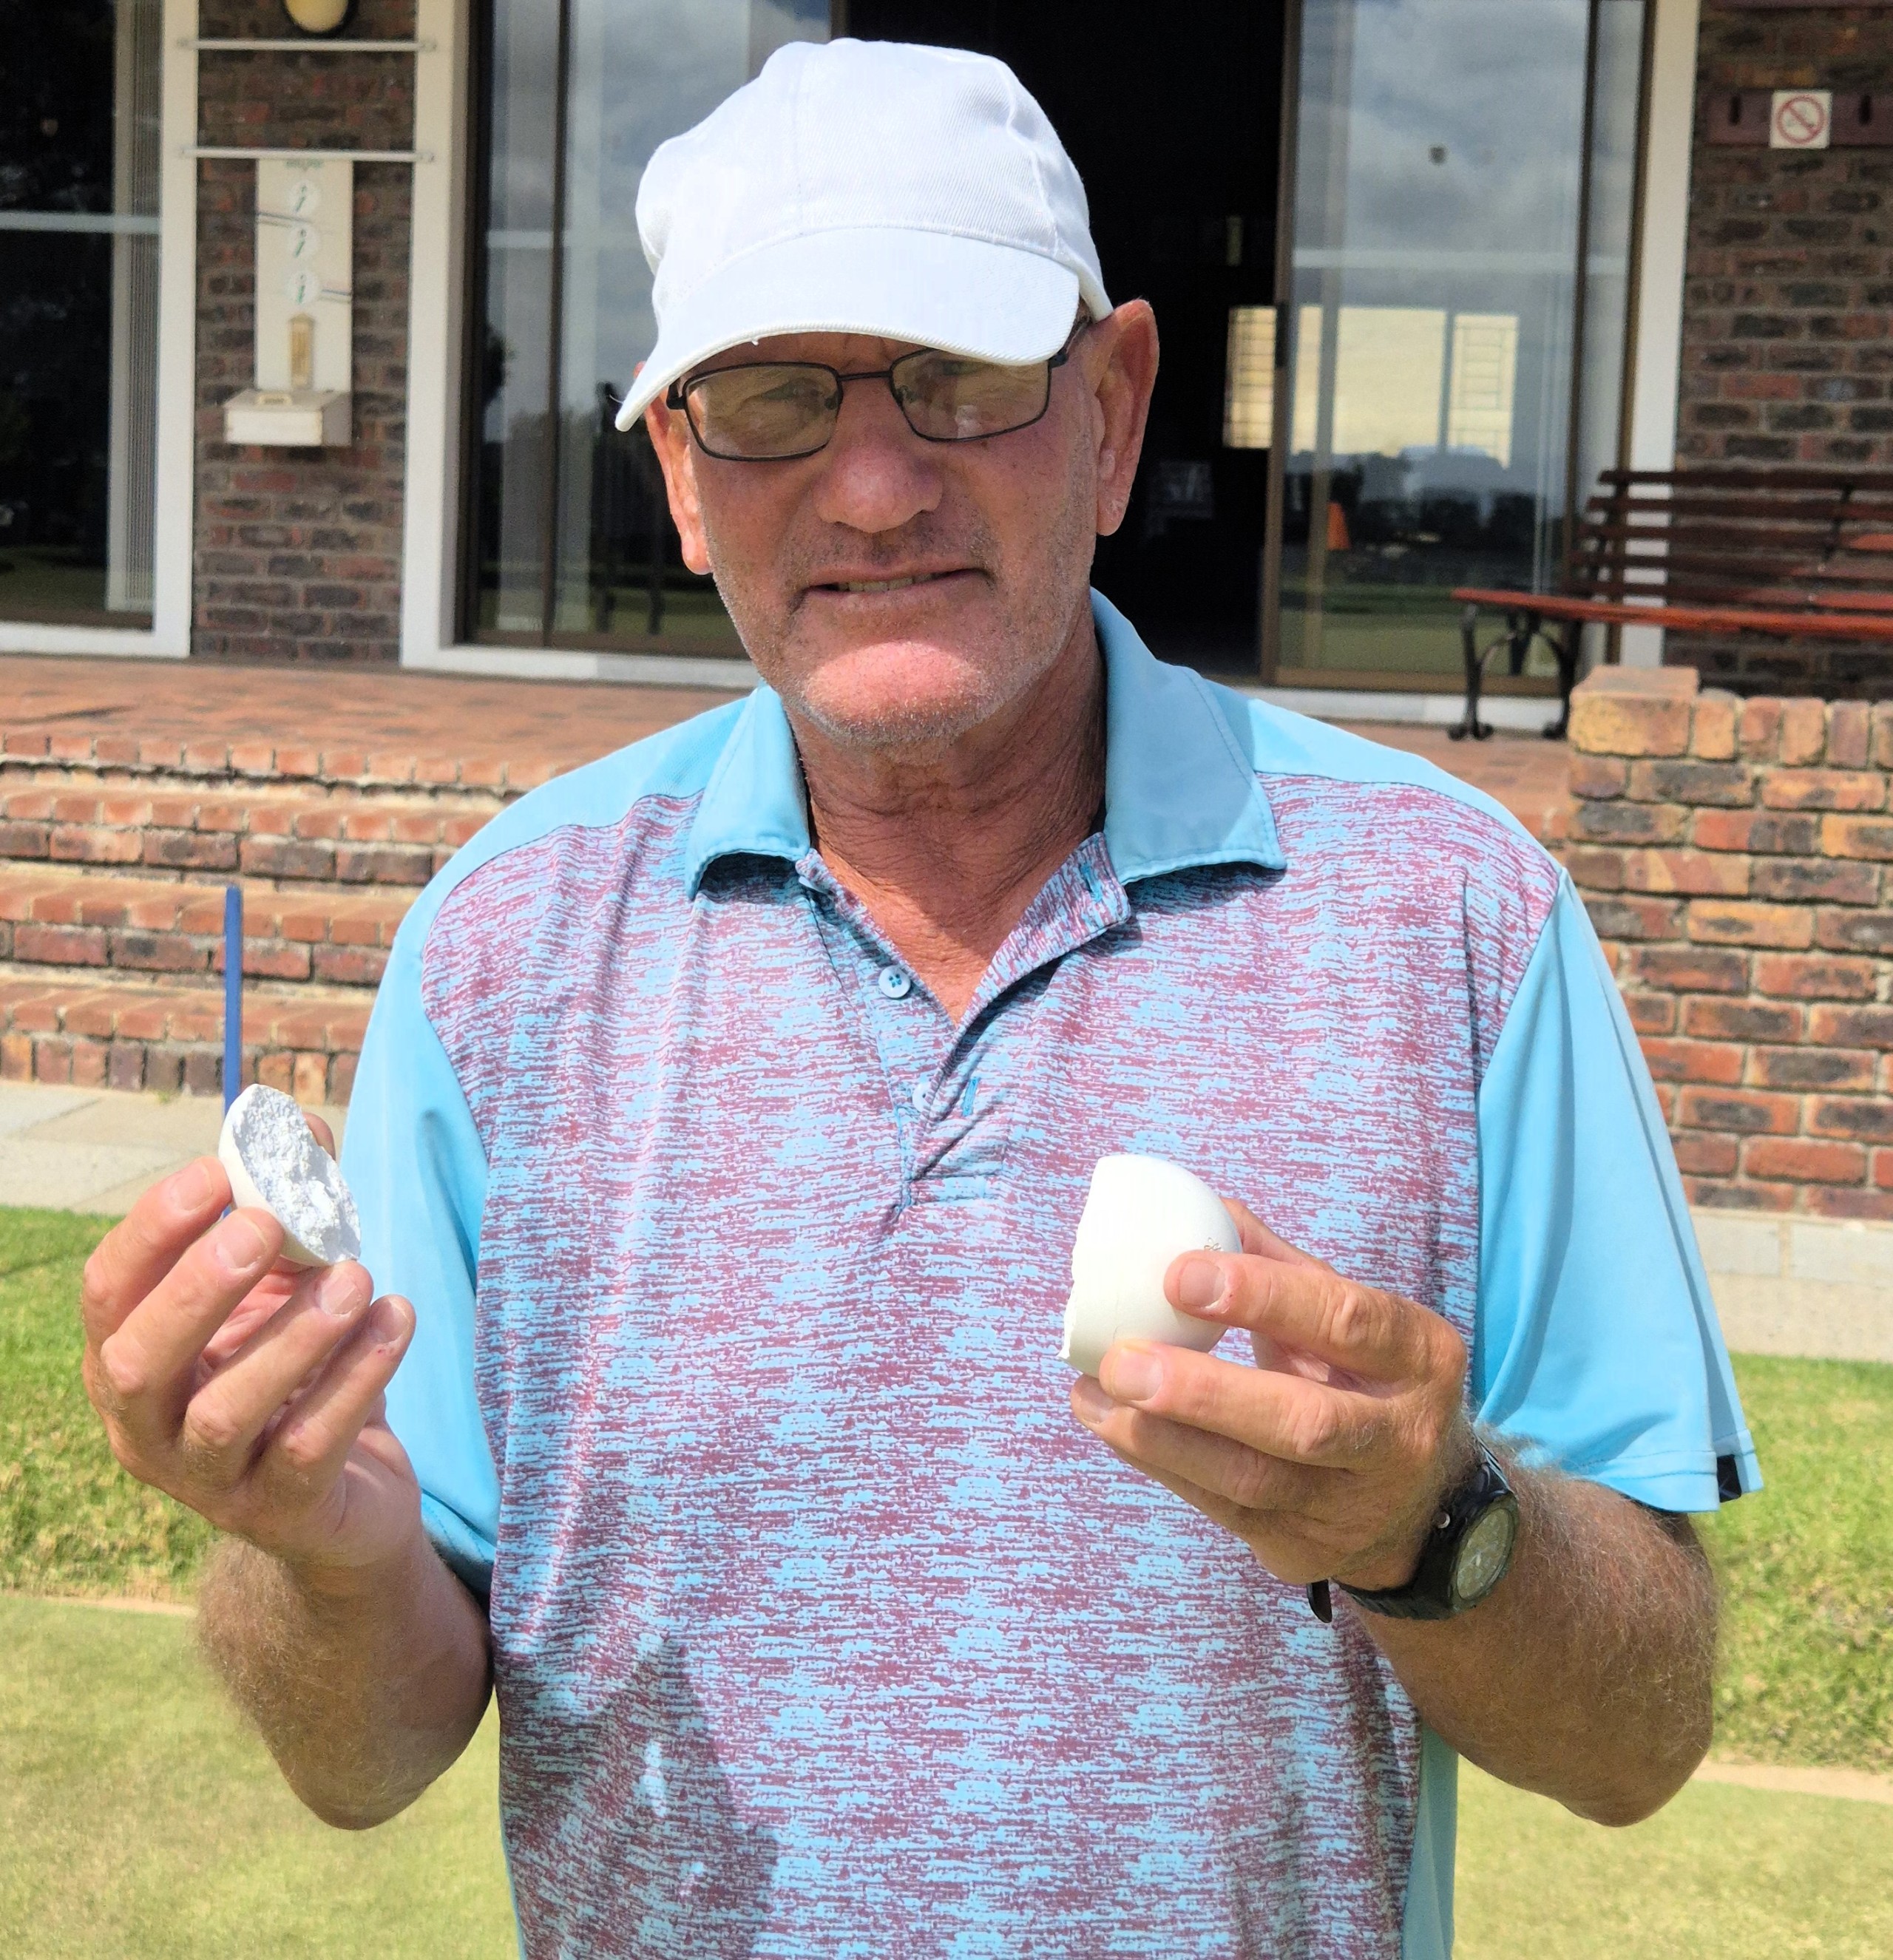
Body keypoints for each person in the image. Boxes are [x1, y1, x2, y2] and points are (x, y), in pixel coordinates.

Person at [79, 38, 1755, 1958]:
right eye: (776, 399)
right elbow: (368, 1752)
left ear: (1116, 410)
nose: (874, 488)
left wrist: (1434, 1528)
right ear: (684, 483)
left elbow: (1644, 1730)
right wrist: (311, 1547)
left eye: (961, 379)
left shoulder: (1454, 921)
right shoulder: (503, 955)